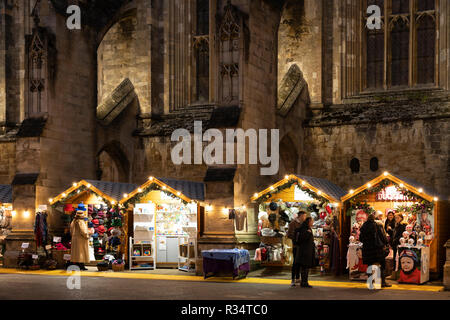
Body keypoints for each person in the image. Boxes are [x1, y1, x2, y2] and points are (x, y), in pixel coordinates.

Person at [359, 214, 391, 288]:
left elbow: (361, 239)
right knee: (382, 265)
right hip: (377, 249)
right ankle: (383, 282)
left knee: (370, 265)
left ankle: (370, 283)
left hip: (367, 249)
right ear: (374, 219)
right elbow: (382, 236)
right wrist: (386, 243)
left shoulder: (364, 226)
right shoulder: (377, 225)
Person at [292, 217, 316, 288]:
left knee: (305, 267)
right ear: (309, 222)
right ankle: (304, 282)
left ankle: (304, 281)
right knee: (305, 267)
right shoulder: (305, 230)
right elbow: (302, 239)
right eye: (312, 221)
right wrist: (307, 234)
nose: (312, 223)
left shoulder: (306, 228)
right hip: (305, 251)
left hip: (306, 251)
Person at [288, 211, 307, 285]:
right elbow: (289, 234)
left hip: (303, 246)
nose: (305, 218)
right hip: (296, 246)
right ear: (301, 216)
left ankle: (298, 278)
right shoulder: (293, 223)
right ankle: (293, 279)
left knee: (301, 262)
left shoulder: (304, 224)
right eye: (304, 216)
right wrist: (297, 237)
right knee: (295, 263)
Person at [70, 204, 90, 271]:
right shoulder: (81, 222)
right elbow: (83, 231)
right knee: (81, 253)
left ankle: (78, 265)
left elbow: (71, 230)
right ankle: (81, 266)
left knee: (76, 253)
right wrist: (87, 235)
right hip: (81, 239)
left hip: (75, 238)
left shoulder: (74, 221)